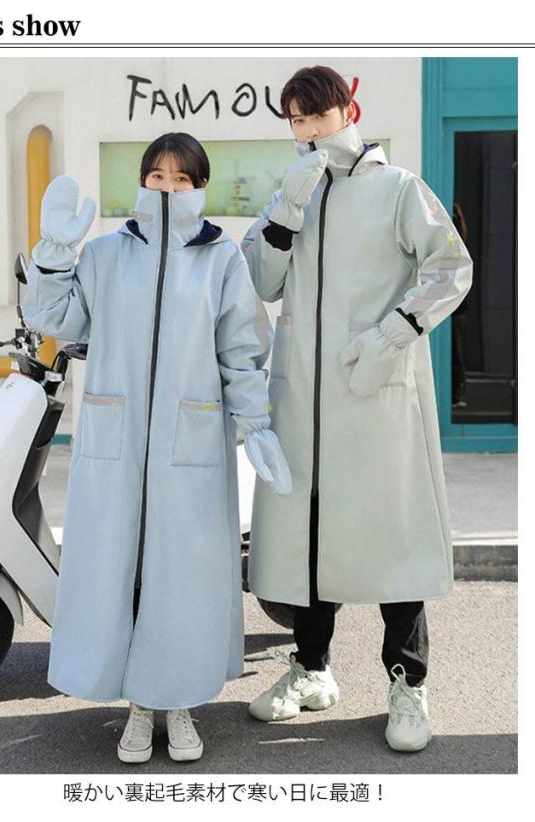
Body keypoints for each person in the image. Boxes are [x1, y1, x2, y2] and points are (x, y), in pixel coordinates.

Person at [21, 133, 291, 764]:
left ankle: (179, 702)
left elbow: (241, 350)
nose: (169, 187)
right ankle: (140, 707)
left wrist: (255, 423)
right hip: (114, 442)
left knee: (184, 577)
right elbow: (53, 320)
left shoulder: (222, 259)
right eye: (158, 175)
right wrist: (55, 254)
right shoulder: (104, 254)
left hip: (189, 443)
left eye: (182, 178)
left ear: (201, 186)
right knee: (122, 572)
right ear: (142, 181)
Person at [241, 66, 473, 752]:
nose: (308, 130)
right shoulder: (291, 192)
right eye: (296, 119)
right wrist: (283, 216)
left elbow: (451, 266)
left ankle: (408, 682)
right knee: (310, 537)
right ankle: (312, 669)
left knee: (391, 535)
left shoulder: (398, 188)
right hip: (303, 402)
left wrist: (394, 331)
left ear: (350, 111)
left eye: (318, 115)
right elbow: (261, 282)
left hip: (373, 392)